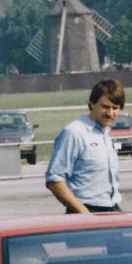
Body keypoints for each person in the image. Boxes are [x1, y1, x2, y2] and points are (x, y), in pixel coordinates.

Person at [45, 78, 125, 213]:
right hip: (85, 211)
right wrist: (84, 213)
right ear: (92, 104)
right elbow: (54, 180)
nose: (110, 113)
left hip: (112, 208)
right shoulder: (74, 133)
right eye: (105, 106)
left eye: (115, 108)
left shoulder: (106, 133)